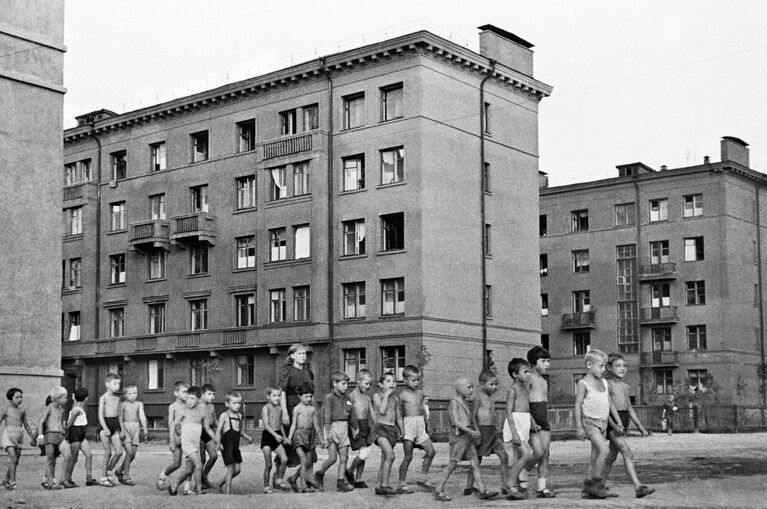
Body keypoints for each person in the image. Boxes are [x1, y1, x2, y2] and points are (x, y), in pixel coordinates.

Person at [435, 376, 497, 502]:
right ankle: (439, 488)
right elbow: (457, 423)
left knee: (475, 463)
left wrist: (472, 433)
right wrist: (472, 432)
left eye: (472, 387)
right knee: (452, 464)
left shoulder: (464, 402)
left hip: (468, 438)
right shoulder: (454, 402)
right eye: (469, 387)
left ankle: (483, 490)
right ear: (459, 389)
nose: (471, 390)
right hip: (459, 438)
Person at [603, 353, 654, 498]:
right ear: (609, 367)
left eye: (624, 366)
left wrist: (640, 426)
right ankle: (638, 487)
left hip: (623, 420)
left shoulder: (625, 386)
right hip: (613, 421)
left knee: (611, 456)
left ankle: (599, 484)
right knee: (627, 452)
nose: (622, 368)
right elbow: (608, 405)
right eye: (618, 366)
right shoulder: (607, 384)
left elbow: (629, 408)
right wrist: (616, 423)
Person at [575, 349, 622, 499]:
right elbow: (577, 405)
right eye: (600, 366)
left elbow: (609, 404)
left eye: (604, 366)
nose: (603, 370)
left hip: (603, 423)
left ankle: (587, 489)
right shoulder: (583, 383)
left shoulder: (604, 383)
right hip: (590, 423)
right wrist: (579, 427)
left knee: (595, 457)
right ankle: (597, 485)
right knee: (605, 451)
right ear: (589, 365)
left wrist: (617, 422)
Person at [166, 385, 217, 496]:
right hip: (187, 442)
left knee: (189, 470)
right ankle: (198, 489)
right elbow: (173, 425)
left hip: (195, 443)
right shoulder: (184, 411)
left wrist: (217, 439)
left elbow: (207, 428)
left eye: (192, 398)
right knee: (198, 464)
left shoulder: (202, 411)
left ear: (199, 400)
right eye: (188, 397)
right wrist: (172, 441)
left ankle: (173, 486)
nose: (189, 401)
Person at [465, 370, 508, 497]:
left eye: (496, 385)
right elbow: (473, 416)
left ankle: (505, 485)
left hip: (492, 432)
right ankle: (468, 487)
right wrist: (477, 431)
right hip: (482, 431)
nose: (494, 387)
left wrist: (496, 429)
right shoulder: (478, 397)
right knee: (477, 459)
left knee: (504, 456)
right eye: (491, 384)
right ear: (482, 384)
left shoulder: (491, 398)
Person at [315, 371, 358, 492]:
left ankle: (340, 481)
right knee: (333, 458)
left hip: (344, 428)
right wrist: (328, 431)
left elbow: (352, 414)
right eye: (343, 383)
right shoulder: (329, 398)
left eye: (347, 384)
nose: (346, 386)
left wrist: (355, 427)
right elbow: (327, 415)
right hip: (332, 428)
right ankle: (319, 473)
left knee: (344, 458)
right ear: (335, 383)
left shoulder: (348, 398)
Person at [503, 358, 539, 500]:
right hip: (515, 425)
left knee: (519, 458)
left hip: (524, 423)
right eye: (525, 372)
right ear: (514, 374)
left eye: (529, 371)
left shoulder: (525, 388)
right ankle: (510, 483)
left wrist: (533, 422)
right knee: (527, 454)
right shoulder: (512, 390)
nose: (529, 374)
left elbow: (526, 409)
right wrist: (514, 432)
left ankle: (514, 488)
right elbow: (509, 412)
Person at [278, 343, 315, 479]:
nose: (303, 356)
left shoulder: (308, 371)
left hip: (306, 409)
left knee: (308, 443)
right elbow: (282, 392)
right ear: (292, 356)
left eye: (304, 353)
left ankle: (301, 478)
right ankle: (279, 477)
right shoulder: (287, 371)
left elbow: (311, 392)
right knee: (289, 444)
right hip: (290, 407)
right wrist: (285, 413)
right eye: (300, 353)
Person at [398, 365, 436, 492]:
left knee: (431, 452)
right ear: (405, 380)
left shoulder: (420, 393)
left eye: (418, 380)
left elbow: (422, 410)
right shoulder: (402, 395)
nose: (416, 382)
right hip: (408, 425)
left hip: (420, 424)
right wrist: (401, 429)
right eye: (413, 380)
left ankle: (423, 478)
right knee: (408, 457)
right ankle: (401, 483)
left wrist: (427, 424)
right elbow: (399, 414)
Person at [526, 345, 555, 497]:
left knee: (546, 454)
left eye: (548, 361)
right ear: (532, 363)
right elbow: (523, 400)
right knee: (538, 452)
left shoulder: (544, 381)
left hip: (543, 420)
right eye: (543, 361)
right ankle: (521, 476)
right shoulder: (528, 378)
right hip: (531, 419)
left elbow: (544, 402)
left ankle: (541, 488)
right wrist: (530, 419)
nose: (546, 364)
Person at [216, 391, 253, 494]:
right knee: (230, 468)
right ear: (227, 404)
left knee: (237, 470)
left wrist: (247, 437)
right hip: (227, 446)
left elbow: (239, 431)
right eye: (234, 403)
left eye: (239, 403)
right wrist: (218, 442)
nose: (237, 405)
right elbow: (218, 430)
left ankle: (220, 483)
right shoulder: (224, 415)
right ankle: (228, 493)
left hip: (235, 447)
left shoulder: (239, 416)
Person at [287, 383, 321, 493]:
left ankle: (293, 478)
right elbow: (293, 425)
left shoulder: (312, 409)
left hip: (310, 436)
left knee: (308, 462)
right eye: (306, 396)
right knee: (304, 459)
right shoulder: (297, 409)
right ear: (300, 396)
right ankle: (303, 485)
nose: (309, 399)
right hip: (299, 436)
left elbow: (316, 425)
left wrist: (321, 438)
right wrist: (289, 438)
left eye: (310, 396)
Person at [371, 371, 401, 496]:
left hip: (392, 430)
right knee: (390, 455)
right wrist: (387, 395)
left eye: (393, 381)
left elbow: (398, 416)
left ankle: (378, 486)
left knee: (384, 459)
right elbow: (381, 410)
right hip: (380, 429)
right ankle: (385, 485)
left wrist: (401, 429)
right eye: (388, 381)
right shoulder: (377, 396)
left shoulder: (396, 399)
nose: (392, 383)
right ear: (381, 384)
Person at [61, 387, 97, 488]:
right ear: (86, 398)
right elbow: (68, 425)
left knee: (89, 455)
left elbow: (79, 402)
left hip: (81, 435)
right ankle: (66, 479)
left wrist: (74, 397)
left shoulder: (78, 406)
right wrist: (66, 434)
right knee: (74, 458)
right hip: (75, 434)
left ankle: (89, 478)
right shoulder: (76, 410)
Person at [35, 386, 70, 490]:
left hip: (60, 436)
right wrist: (40, 435)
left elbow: (60, 422)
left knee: (68, 456)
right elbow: (41, 421)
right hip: (50, 435)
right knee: (51, 459)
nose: (66, 400)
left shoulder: (61, 409)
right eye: (64, 398)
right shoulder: (49, 407)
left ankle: (62, 479)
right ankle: (50, 483)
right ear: (58, 398)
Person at [345, 369, 374, 489]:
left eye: (370, 384)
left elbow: (372, 413)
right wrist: (352, 427)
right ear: (358, 381)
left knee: (364, 453)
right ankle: (349, 470)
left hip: (365, 426)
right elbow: (347, 413)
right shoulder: (350, 397)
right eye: (366, 383)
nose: (368, 387)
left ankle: (358, 479)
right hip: (355, 425)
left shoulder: (367, 398)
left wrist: (375, 426)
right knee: (364, 452)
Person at [157, 380, 188, 489]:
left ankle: (187, 487)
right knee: (177, 464)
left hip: (187, 437)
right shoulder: (173, 406)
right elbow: (171, 423)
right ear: (176, 393)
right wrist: (172, 440)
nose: (186, 394)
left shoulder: (189, 405)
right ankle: (162, 475)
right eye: (184, 392)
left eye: (188, 392)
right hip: (176, 437)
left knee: (190, 462)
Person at [115, 383, 148, 485]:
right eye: (130, 393)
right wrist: (122, 430)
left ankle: (119, 470)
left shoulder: (139, 404)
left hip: (136, 428)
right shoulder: (123, 404)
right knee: (129, 452)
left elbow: (142, 416)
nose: (133, 395)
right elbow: (120, 417)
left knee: (132, 454)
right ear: (125, 395)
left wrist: (145, 428)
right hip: (125, 428)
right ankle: (126, 476)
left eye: (135, 393)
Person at [1, 388, 34, 490]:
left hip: (19, 436)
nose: (19, 399)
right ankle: (13, 481)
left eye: (21, 397)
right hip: (9, 435)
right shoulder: (6, 409)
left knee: (15, 460)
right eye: (17, 397)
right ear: (11, 399)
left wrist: (33, 437)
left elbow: (26, 425)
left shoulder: (22, 410)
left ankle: (6, 479)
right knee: (13, 457)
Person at [261, 386, 289, 493]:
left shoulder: (279, 409)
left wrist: (284, 437)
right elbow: (266, 425)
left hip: (277, 435)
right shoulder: (266, 408)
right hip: (268, 437)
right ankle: (266, 486)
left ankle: (279, 479)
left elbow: (280, 424)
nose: (277, 398)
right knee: (268, 465)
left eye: (279, 396)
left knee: (284, 459)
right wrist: (275, 436)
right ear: (268, 396)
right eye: (274, 395)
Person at [98, 373, 123, 487]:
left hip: (115, 426)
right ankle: (103, 478)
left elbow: (119, 415)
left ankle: (108, 471)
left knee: (119, 452)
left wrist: (121, 429)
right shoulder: (103, 398)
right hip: (105, 426)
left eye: (118, 384)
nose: (117, 386)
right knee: (107, 452)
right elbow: (100, 415)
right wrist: (105, 428)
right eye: (115, 384)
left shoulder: (117, 399)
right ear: (107, 384)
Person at [198, 383, 218, 489]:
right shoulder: (199, 405)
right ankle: (199, 482)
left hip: (209, 432)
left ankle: (204, 477)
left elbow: (215, 420)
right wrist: (217, 439)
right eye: (209, 394)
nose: (212, 396)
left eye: (213, 394)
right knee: (201, 459)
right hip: (199, 432)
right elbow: (205, 426)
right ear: (202, 394)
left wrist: (224, 427)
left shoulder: (212, 406)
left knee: (214, 456)